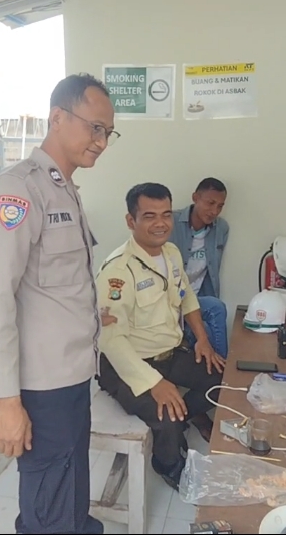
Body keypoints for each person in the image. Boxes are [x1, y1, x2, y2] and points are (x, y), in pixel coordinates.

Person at [0, 73, 120, 535]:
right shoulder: (19, 190)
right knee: (50, 509)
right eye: (95, 128)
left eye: (108, 133)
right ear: (58, 118)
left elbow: (56, 290)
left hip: (73, 376)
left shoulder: (66, 190)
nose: (102, 142)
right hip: (42, 388)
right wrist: (6, 402)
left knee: (71, 493)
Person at [96, 182, 226, 490]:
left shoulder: (171, 253)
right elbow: (110, 339)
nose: (161, 223)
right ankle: (168, 464)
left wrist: (203, 340)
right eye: (149, 216)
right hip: (126, 366)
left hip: (169, 353)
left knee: (221, 379)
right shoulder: (117, 271)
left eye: (166, 214)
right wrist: (154, 383)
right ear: (131, 221)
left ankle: (178, 422)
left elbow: (187, 296)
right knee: (167, 417)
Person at [168, 178, 230, 358]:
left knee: (213, 319)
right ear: (195, 197)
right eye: (210, 203)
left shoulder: (221, 228)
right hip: (171, 300)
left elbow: (212, 272)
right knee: (216, 308)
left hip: (198, 300)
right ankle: (221, 372)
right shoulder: (171, 222)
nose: (214, 211)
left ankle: (218, 372)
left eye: (220, 206)